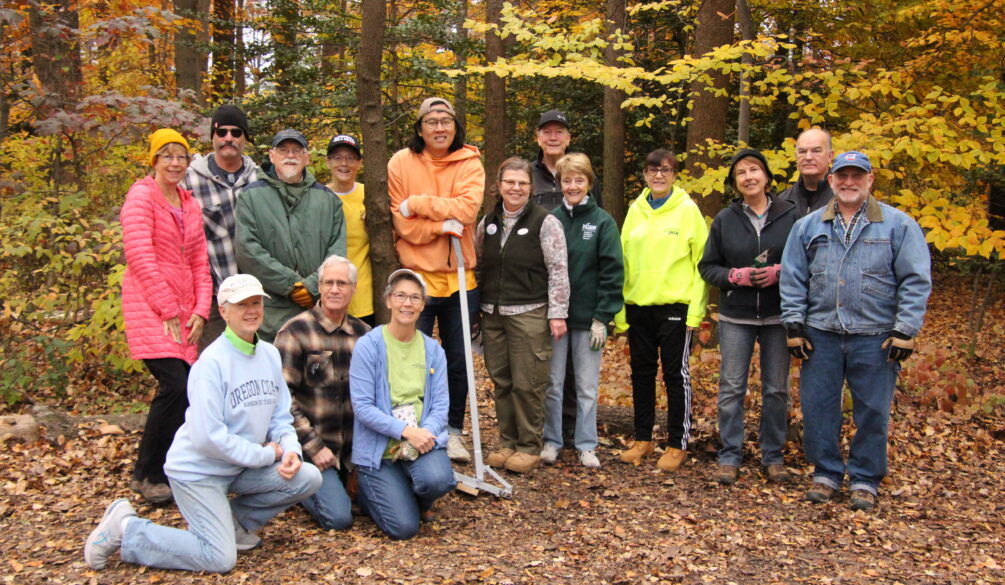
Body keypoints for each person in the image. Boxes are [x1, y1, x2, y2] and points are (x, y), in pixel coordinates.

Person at [84, 274, 322, 573]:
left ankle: (232, 526)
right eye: (241, 305)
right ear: (223, 311)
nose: (251, 310)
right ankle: (128, 529)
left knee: (307, 477)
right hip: (199, 472)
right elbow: (208, 438)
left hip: (238, 467)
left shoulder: (269, 354)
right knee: (218, 559)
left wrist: (289, 450)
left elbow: (280, 416)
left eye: (256, 302)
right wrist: (265, 454)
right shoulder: (211, 364)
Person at [781, 150, 931, 510]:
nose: (849, 183)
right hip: (821, 334)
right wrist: (794, 324)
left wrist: (906, 330)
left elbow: (915, 280)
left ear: (869, 179)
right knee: (819, 409)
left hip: (875, 337)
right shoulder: (809, 226)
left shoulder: (899, 225)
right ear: (831, 180)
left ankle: (865, 478)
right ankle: (826, 473)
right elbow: (792, 277)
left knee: (873, 411)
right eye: (842, 176)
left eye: (856, 176)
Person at [389, 97, 485, 463]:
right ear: (420, 128)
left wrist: (418, 204)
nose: (440, 128)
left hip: (461, 279)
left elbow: (467, 209)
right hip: (417, 281)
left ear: (455, 127)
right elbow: (402, 224)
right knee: (413, 360)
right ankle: (415, 431)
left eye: (446, 121)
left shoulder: (469, 162)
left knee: (457, 360)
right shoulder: (401, 162)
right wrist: (439, 226)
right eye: (432, 121)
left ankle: (455, 432)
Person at [120, 128, 212, 504]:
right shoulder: (141, 197)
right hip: (152, 308)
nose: (175, 163)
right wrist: (168, 308)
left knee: (189, 389)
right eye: (167, 155)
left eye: (181, 156)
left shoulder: (189, 204)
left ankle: (168, 468)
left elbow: (199, 262)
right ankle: (148, 473)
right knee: (174, 385)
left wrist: (202, 309)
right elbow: (139, 255)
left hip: (186, 311)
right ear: (153, 160)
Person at [698, 148, 798, 485]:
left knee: (776, 390)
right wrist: (735, 277)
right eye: (741, 173)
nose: (749, 177)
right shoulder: (726, 220)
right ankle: (730, 455)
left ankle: (773, 456)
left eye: (754, 170)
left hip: (778, 315)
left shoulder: (792, 216)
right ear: (735, 182)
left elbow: (807, 261)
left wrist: (780, 273)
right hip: (736, 317)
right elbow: (707, 267)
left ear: (767, 177)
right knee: (730, 388)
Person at [615, 148, 708, 472]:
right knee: (641, 374)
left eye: (665, 170)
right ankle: (642, 439)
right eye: (653, 169)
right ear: (644, 173)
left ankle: (677, 443)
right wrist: (620, 312)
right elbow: (622, 262)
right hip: (638, 307)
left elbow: (702, 265)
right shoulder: (635, 210)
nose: (658, 175)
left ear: (674, 175)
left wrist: (695, 314)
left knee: (674, 375)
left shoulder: (687, 211)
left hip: (675, 307)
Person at [476, 157, 570, 474]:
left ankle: (529, 445)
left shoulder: (546, 222)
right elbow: (478, 263)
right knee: (501, 380)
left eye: (522, 183)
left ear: (531, 188)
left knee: (527, 382)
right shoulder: (487, 222)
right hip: (493, 313)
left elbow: (558, 271)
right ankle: (508, 442)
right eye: (510, 182)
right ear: (499, 185)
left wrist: (558, 313)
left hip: (530, 312)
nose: (516, 188)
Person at [348, 269, 457, 539]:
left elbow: (440, 406)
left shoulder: (433, 350)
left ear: (422, 305)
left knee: (439, 480)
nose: (407, 304)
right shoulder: (369, 346)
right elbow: (362, 408)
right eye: (400, 296)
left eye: (414, 298)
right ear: (388, 301)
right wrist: (406, 431)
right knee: (404, 528)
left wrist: (424, 434)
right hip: (381, 450)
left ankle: (415, 493)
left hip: (421, 443)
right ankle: (372, 492)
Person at [274, 255, 371, 530]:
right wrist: (314, 448)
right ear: (319, 286)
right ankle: (294, 485)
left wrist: (362, 458)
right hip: (312, 448)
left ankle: (343, 482)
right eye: (328, 283)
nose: (335, 289)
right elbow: (283, 400)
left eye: (342, 283)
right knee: (339, 519)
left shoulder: (364, 335)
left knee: (379, 505)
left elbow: (373, 400)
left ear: (354, 289)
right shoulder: (295, 332)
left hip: (352, 452)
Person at [543, 154, 624, 469]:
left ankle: (586, 444)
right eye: (567, 180)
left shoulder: (602, 222)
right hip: (556, 320)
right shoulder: (551, 220)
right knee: (553, 383)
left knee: (587, 386)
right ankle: (552, 440)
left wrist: (603, 317)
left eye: (579, 180)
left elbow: (612, 272)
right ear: (560, 184)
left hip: (590, 321)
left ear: (589, 183)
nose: (573, 186)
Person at [530, 109, 601, 450]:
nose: (553, 136)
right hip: (543, 296)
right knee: (550, 374)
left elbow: (602, 250)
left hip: (584, 301)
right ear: (538, 137)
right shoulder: (527, 177)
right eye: (547, 131)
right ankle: (549, 436)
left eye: (560, 131)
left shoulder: (584, 185)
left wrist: (604, 310)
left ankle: (577, 435)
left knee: (580, 377)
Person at [236, 129, 347, 342]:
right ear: (272, 156)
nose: (290, 155)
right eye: (283, 150)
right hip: (269, 316)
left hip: (318, 310)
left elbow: (337, 251)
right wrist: (291, 285)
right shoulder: (250, 197)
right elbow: (247, 250)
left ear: (307, 158)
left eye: (297, 150)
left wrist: (312, 286)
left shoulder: (328, 200)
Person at [182, 105, 260, 349]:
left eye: (236, 132)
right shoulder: (189, 180)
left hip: (254, 294)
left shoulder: (260, 179)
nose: (229, 138)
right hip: (214, 297)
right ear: (212, 137)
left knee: (253, 364)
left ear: (245, 139)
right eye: (222, 132)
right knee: (213, 367)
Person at [325, 134, 375, 326]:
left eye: (350, 158)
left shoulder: (370, 195)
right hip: (329, 297)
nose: (344, 163)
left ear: (359, 163)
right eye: (337, 157)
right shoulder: (319, 197)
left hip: (365, 297)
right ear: (328, 162)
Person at [778, 127, 834, 218]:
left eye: (816, 151)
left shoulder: (842, 197)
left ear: (830, 156)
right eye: (802, 151)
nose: (808, 157)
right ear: (796, 157)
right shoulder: (784, 201)